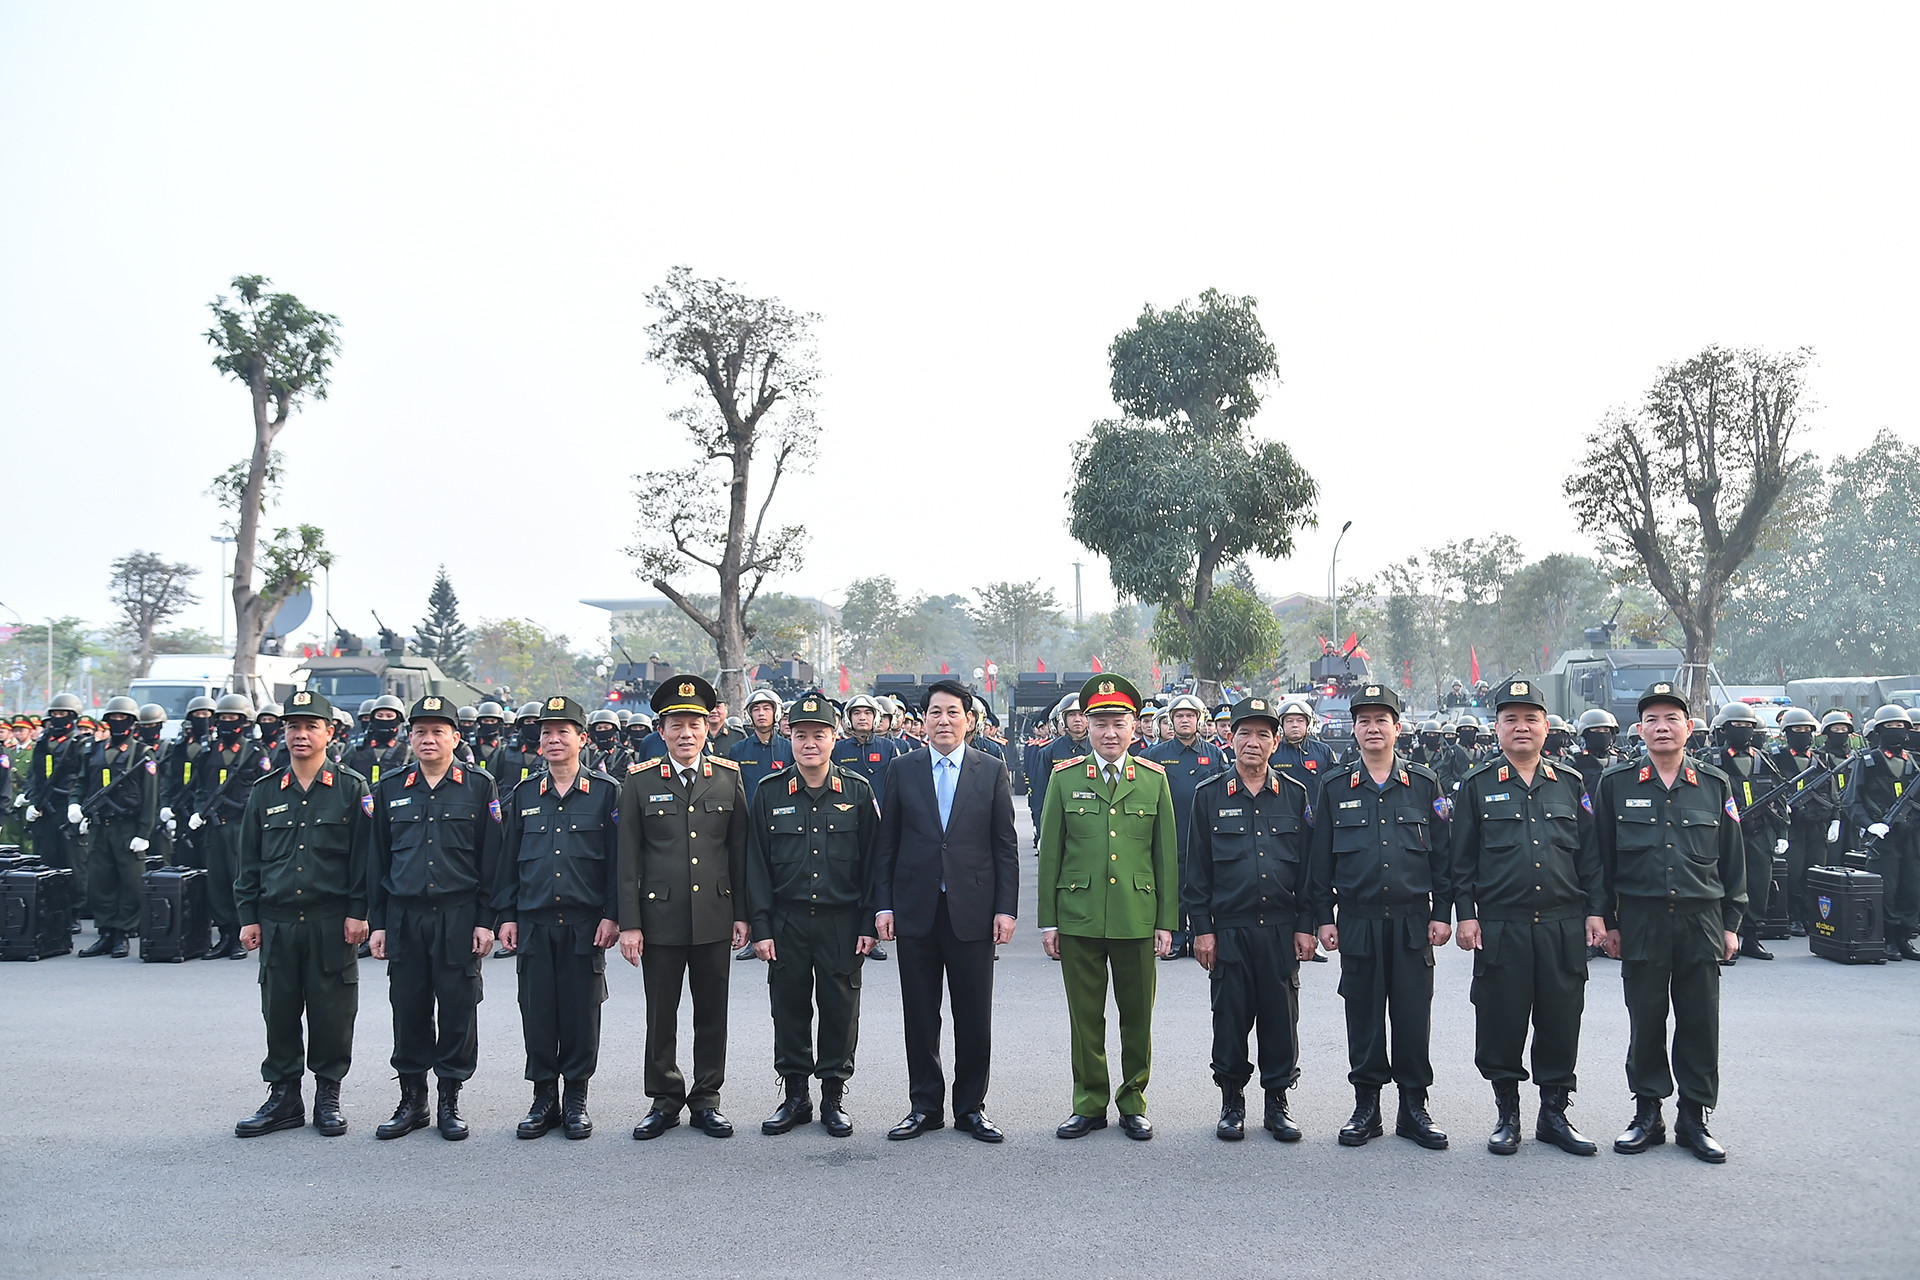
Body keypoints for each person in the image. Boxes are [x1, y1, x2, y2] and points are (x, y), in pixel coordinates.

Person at [1451, 679, 1607, 1156]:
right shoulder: (1478, 786)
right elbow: (1461, 860)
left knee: (1562, 1019)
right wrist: (1465, 916)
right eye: (1511, 719)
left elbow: (1592, 858)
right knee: (1501, 1020)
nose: (1521, 727)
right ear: (1496, 728)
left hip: (1562, 924)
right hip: (1502, 925)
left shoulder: (1571, 784)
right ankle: (1507, 1113)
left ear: (1546, 726)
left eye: (1530, 718)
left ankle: (1555, 1113)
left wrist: (1597, 912)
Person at [1597, 681, 1745, 1164]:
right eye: (1653, 720)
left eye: (1672, 719)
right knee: (1646, 1018)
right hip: (1641, 920)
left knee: (1700, 1021)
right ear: (1639, 729)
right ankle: (1647, 1114)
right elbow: (1601, 859)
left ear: (1689, 727)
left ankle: (1694, 1118)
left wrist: (1731, 923)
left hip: (1701, 919)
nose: (1662, 728)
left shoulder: (1715, 786)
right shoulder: (1616, 783)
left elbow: (1733, 861)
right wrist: (1608, 919)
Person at [1304, 683, 1454, 1150]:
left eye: (1381, 719)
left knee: (1412, 1015)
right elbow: (1319, 859)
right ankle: (1365, 1104)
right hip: (1358, 918)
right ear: (1354, 729)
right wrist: (1322, 918)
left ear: (1397, 727)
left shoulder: (1425, 784)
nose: (1373, 728)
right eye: (1364, 720)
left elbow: (1443, 857)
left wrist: (1443, 912)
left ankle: (1414, 1107)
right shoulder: (1333, 787)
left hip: (1412, 920)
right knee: (1364, 1014)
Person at [873, 677, 1019, 1144]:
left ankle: (971, 1108)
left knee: (973, 1014)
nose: (943, 720)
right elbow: (887, 845)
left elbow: (1004, 847)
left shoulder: (991, 769)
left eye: (953, 712)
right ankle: (924, 1106)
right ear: (923, 720)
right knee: (920, 1013)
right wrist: (884, 905)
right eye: (935, 712)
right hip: (916, 908)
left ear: (970, 720)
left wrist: (1006, 910)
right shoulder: (903, 769)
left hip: (972, 910)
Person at [1036, 674, 1177, 1141]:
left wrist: (1166, 922)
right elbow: (1051, 852)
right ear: (1085, 726)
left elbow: (1165, 856)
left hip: (1136, 916)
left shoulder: (1154, 781)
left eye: (1118, 723)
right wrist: (1048, 922)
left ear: (1135, 727)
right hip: (1078, 915)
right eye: (1099, 723)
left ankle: (1134, 1100)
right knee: (1085, 1016)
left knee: (1137, 1016)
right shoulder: (1065, 777)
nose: (1109, 733)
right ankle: (1090, 1102)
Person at [618, 675, 751, 1141]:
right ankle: (665, 1098)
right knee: (662, 1011)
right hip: (660, 918)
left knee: (712, 1011)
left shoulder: (729, 778)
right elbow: (627, 857)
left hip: (715, 914)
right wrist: (629, 924)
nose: (686, 733)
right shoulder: (638, 782)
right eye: (676, 724)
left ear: (709, 725)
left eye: (695, 723)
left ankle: (707, 1098)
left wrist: (742, 913)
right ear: (662, 728)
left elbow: (740, 852)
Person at [232, 690, 370, 1139]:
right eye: (294, 726)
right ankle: (283, 1096)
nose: (301, 734)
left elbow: (363, 859)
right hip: (278, 921)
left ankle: (327, 1094)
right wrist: (248, 915)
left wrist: (358, 912)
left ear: (330, 733)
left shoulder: (352, 789)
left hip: (332, 920)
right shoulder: (265, 790)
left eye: (311, 726)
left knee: (332, 1010)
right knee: (280, 1009)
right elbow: (248, 861)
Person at [367, 695, 504, 1141]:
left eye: (437, 731)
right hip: (405, 916)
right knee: (407, 1008)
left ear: (455, 737)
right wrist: (379, 923)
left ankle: (449, 1098)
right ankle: (412, 1100)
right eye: (420, 732)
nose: (428, 739)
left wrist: (486, 920)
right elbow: (378, 861)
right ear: (410, 737)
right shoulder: (390, 787)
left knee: (459, 1008)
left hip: (458, 915)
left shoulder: (479, 787)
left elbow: (492, 860)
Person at [745, 693, 879, 1137]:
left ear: (834, 737)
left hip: (842, 921)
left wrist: (867, 924)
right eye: (801, 735)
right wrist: (760, 928)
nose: (809, 744)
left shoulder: (857, 792)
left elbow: (873, 863)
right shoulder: (769, 793)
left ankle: (833, 1097)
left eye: (819, 735)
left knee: (840, 1009)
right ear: (789, 737)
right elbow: (757, 867)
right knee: (788, 1008)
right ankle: (796, 1095)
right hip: (787, 920)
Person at [1183, 696, 1315, 1142]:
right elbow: (1196, 872)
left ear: (1276, 741)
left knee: (1281, 1019)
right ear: (1230, 739)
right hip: (1230, 930)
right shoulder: (1209, 796)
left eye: (1262, 734)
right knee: (1230, 1017)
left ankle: (1277, 1102)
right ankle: (1231, 1101)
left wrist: (1307, 924)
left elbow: (1309, 872)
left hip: (1280, 928)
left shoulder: (1295, 796)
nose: (1252, 742)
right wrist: (1202, 930)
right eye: (1244, 733)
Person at [494, 696, 619, 1140]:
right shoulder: (523, 795)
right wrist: (505, 916)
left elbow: (617, 864)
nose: (553, 739)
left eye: (563, 732)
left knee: (582, 1012)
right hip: (534, 923)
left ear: (582, 740)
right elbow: (506, 862)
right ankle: (543, 1096)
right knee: (538, 1010)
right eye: (546, 732)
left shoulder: (607, 793)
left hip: (585, 924)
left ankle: (576, 1099)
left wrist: (613, 915)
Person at [190, 694, 273, 960]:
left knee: (241, 879)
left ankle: (240, 932)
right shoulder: (207, 752)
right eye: (223, 718)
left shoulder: (256, 752)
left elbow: (265, 789)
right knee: (217, 880)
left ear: (244, 721)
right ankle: (225, 933)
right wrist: (198, 810)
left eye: (232, 718)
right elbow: (199, 786)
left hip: (241, 825)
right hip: (215, 825)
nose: (227, 723)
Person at [75, 697, 159, 958]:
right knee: (100, 881)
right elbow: (81, 782)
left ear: (132, 723)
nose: (117, 723)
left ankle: (122, 933)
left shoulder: (142, 753)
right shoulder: (94, 750)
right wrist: (75, 805)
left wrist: (143, 833)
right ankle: (106, 932)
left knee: (130, 883)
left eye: (123, 719)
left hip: (127, 826)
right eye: (113, 719)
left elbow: (150, 796)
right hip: (101, 826)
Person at [1145, 692, 1226, 962]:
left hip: (1207, 834)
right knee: (1175, 887)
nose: (1184, 720)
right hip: (1172, 832)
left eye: (1190, 715)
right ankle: (1177, 939)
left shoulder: (1214, 754)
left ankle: (1200, 935)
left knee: (1205, 886)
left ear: (1199, 719)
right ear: (1170, 721)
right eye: (1179, 716)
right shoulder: (1155, 755)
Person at [1842, 705, 1920, 961]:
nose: (1896, 732)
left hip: (1912, 836)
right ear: (1879, 731)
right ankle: (1887, 938)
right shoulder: (1868, 762)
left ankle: (1904, 937)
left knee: (1911, 887)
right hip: (1884, 837)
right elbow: (1851, 801)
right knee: (1886, 889)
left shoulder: (1914, 764)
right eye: (1890, 727)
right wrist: (1868, 824)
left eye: (1901, 727)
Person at [1712, 702, 1787, 963]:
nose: (1743, 731)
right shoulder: (1712, 759)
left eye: (1747, 726)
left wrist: (1782, 833)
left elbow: (1780, 797)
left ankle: (1752, 937)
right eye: (1737, 726)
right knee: (1725, 883)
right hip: (1724, 834)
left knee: (1759, 884)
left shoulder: (1763, 759)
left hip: (1759, 833)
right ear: (1724, 729)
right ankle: (1725, 936)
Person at [25, 692, 91, 925]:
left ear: (72, 717)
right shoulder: (43, 742)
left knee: (73, 862)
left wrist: (84, 811)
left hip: (68, 808)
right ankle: (49, 909)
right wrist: (32, 802)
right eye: (54, 714)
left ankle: (73, 911)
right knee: (46, 861)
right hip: (45, 809)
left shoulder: (81, 744)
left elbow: (86, 779)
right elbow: (35, 776)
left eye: (62, 714)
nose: (57, 718)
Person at [728, 687, 793, 802]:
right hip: (749, 815)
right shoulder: (738, 750)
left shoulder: (790, 749)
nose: (761, 713)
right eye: (756, 709)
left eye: (766, 708)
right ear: (750, 715)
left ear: (776, 713)